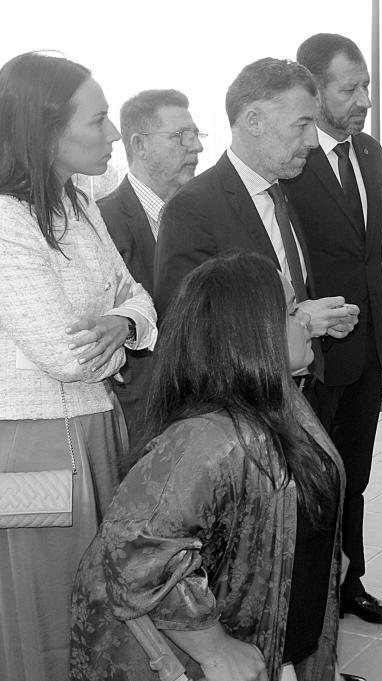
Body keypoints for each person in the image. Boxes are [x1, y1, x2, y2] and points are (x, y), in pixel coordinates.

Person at [70, 251, 356, 681]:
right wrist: (215, 647)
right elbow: (130, 553)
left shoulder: (281, 405)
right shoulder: (204, 441)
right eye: (292, 311)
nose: (306, 322)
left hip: (283, 647)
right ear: (249, 335)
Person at [0, 52, 157, 681]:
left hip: (95, 426)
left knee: (96, 593)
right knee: (44, 604)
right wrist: (124, 331)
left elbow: (139, 297)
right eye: (98, 119)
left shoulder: (80, 202)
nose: (113, 132)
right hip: (32, 446)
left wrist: (122, 323)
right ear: (45, 129)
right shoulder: (6, 220)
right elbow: (66, 354)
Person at [283, 33, 382, 625]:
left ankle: (350, 583)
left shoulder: (371, 153)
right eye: (350, 88)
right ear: (313, 88)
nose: (364, 100)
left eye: (367, 87)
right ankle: (309, 601)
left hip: (366, 347)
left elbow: (365, 255)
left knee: (354, 476)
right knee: (311, 483)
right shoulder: (290, 162)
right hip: (312, 351)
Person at [152, 58, 358, 357]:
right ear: (254, 122)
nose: (313, 140)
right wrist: (299, 322)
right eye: (302, 125)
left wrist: (323, 319)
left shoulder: (289, 190)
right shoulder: (193, 208)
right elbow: (187, 329)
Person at [98, 89, 203, 468]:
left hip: (203, 415)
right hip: (137, 420)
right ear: (140, 145)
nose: (196, 147)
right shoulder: (101, 223)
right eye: (180, 136)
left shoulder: (204, 216)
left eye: (196, 134)